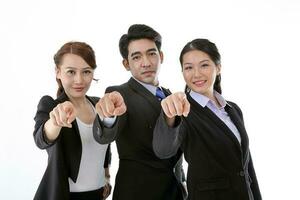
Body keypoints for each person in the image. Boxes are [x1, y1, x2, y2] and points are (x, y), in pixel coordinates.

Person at [152, 39, 262, 200]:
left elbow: (246, 167)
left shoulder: (233, 109)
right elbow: (163, 150)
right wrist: (169, 116)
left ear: (218, 67)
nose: (196, 74)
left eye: (204, 65)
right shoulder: (182, 109)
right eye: (188, 67)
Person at [93, 24, 186, 200]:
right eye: (136, 57)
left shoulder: (171, 96)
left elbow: (176, 151)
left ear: (161, 56)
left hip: (175, 194)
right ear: (126, 64)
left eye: (152, 53)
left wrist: (183, 182)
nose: (146, 62)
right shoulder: (118, 94)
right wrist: (108, 116)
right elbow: (104, 136)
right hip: (138, 193)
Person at [33, 41, 112, 200]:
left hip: (98, 195)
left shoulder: (98, 104)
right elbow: (42, 139)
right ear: (58, 72)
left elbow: (106, 147)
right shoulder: (51, 105)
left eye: (86, 72)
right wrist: (55, 122)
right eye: (71, 72)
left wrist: (106, 178)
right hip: (65, 195)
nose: (79, 80)